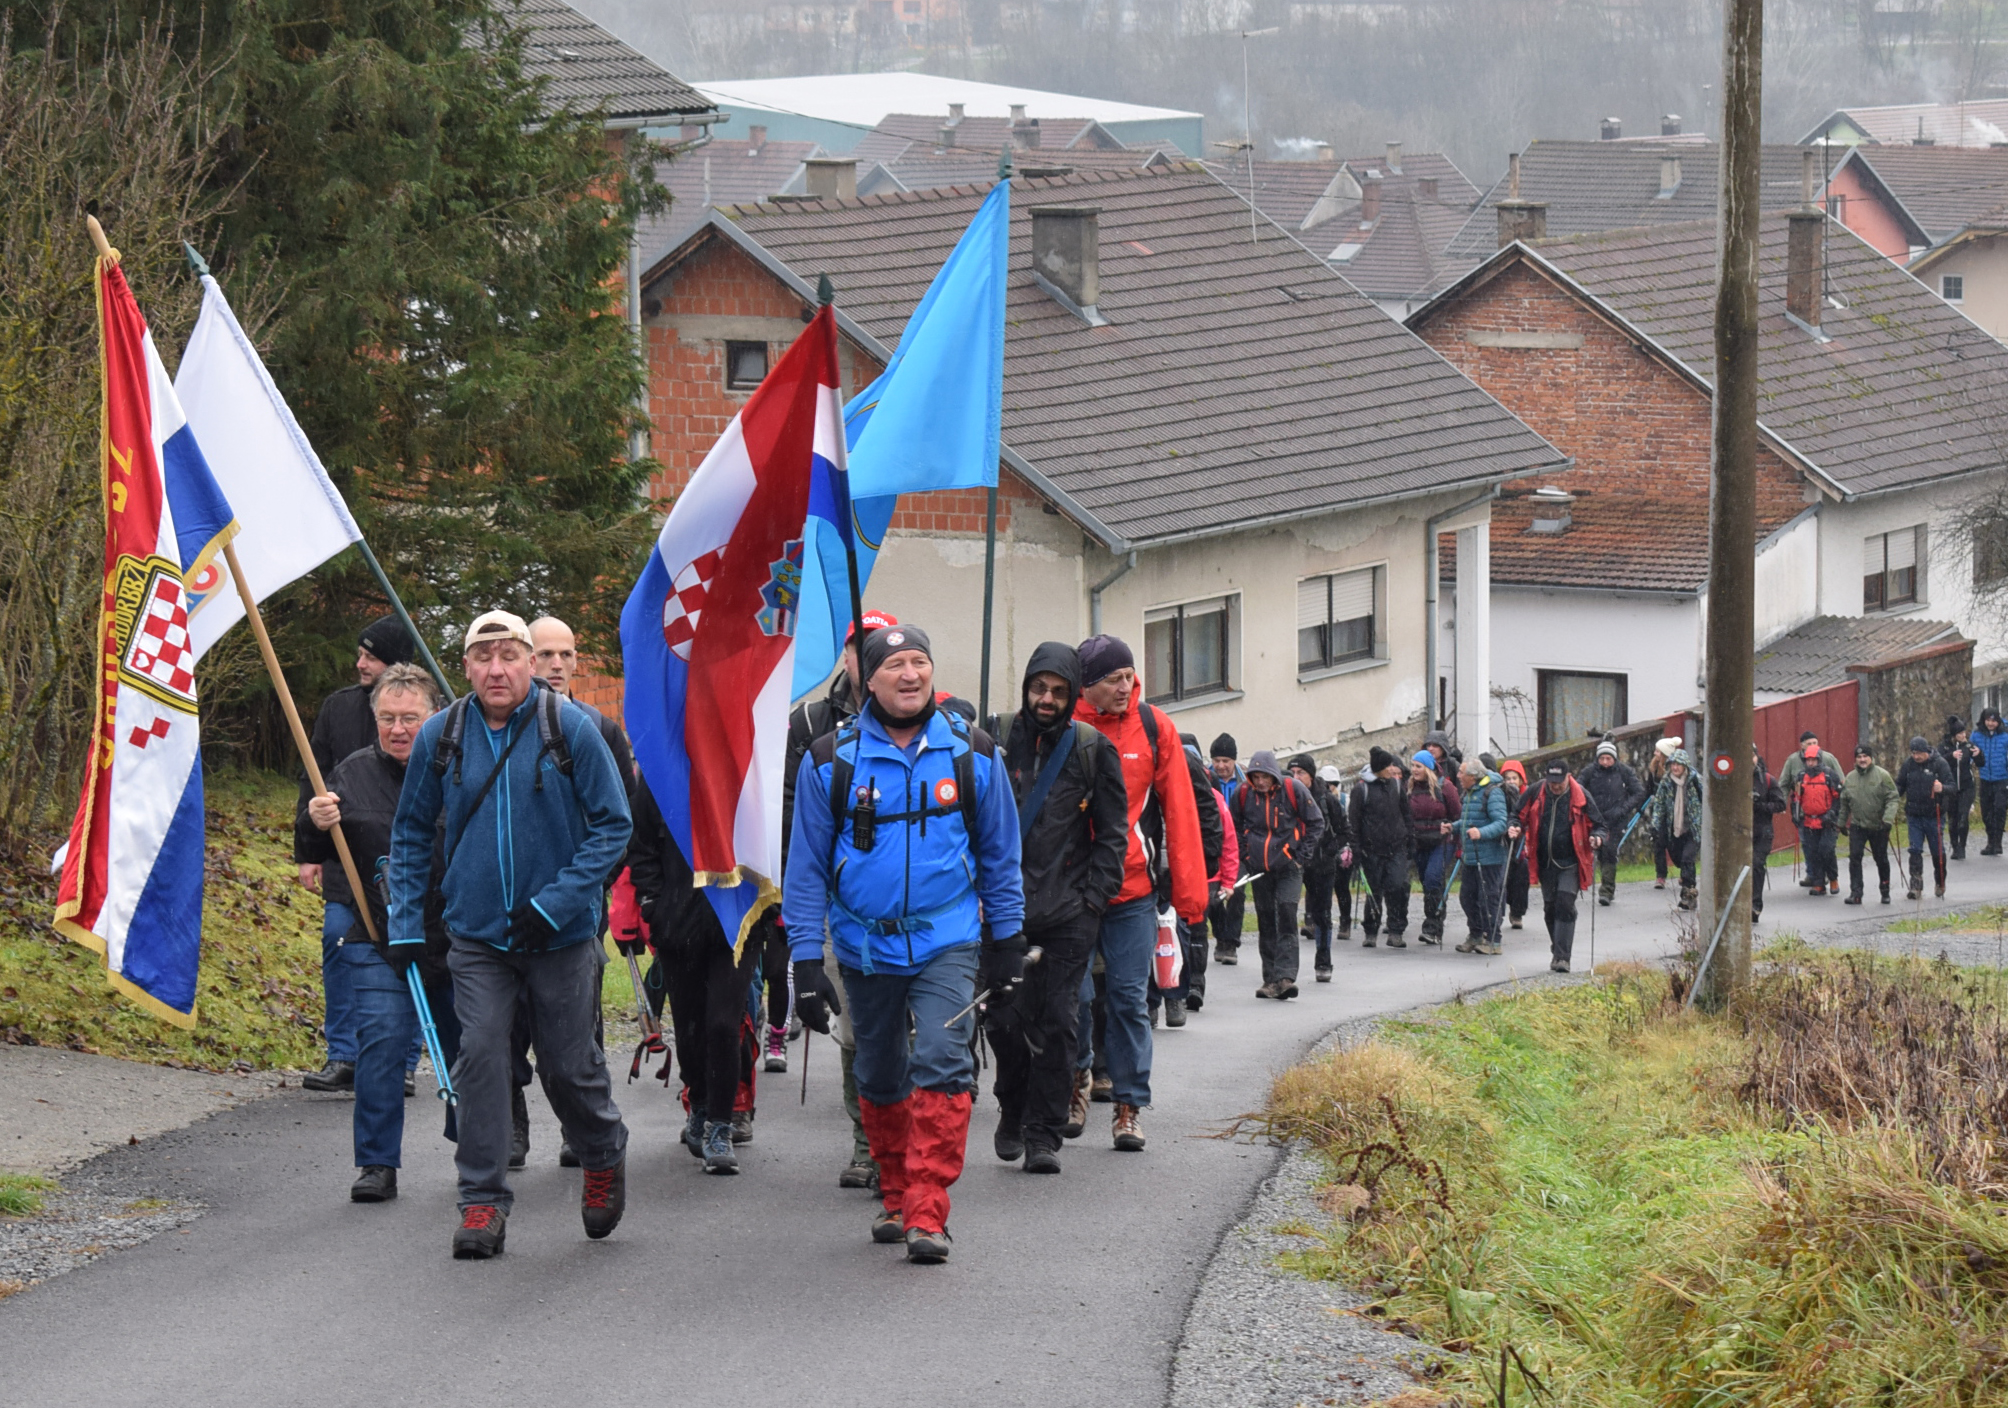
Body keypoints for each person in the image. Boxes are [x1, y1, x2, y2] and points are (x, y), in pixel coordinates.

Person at [388, 610, 634, 1260]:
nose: (497, 669)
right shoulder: (442, 736)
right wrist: (407, 923)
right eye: (484, 657)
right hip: (476, 938)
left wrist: (556, 903)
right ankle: (481, 1202)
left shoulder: (569, 728)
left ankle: (604, 1150)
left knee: (566, 1064)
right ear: (466, 667)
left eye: (510, 656)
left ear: (529, 662)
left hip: (559, 937)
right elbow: (411, 832)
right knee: (484, 1056)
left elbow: (615, 825)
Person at [784, 624, 1024, 1262]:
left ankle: (926, 1211)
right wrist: (806, 961)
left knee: (943, 1059)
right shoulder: (830, 760)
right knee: (879, 1069)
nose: (910, 674)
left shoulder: (973, 754)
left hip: (949, 940)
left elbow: (1001, 856)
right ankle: (895, 1191)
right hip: (864, 947)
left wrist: (1006, 941)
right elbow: (805, 868)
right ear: (868, 678)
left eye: (921, 661)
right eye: (894, 665)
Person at [299, 663, 456, 1203]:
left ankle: (479, 1145)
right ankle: (377, 1164)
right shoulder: (348, 774)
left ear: (433, 717)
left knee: (472, 1048)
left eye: (410, 718)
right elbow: (314, 850)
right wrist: (313, 821)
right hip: (377, 935)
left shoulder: (461, 768)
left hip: (454, 937)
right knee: (382, 1044)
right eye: (387, 718)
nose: (398, 729)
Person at [986, 643, 1126, 1175]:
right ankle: (1011, 1105)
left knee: (1059, 1021)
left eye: (1059, 691)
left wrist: (1094, 900)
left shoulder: (1092, 750)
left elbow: (1113, 833)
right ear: (1025, 687)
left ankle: (1043, 1132)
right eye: (1039, 688)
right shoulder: (994, 742)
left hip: (1069, 909)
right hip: (1001, 911)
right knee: (1003, 1018)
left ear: (1071, 696)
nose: (1047, 699)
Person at [1071, 635, 1207, 1153]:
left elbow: (1181, 811)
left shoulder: (1154, 726)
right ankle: (1076, 1082)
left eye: (1130, 675)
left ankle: (1129, 1106)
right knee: (1075, 999)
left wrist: (1192, 897)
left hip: (1133, 889)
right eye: (1113, 679)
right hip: (1073, 890)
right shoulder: (1065, 723)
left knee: (1129, 1000)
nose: (1126, 686)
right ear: (1088, 685)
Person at [511, 615, 635, 1170]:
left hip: (578, 911)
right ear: (524, 659)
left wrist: (587, 892)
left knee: (577, 1032)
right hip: (505, 907)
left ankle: (579, 1129)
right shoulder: (492, 726)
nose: (556, 664)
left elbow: (618, 824)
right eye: (545, 654)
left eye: (566, 654)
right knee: (504, 1026)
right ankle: (508, 1130)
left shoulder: (599, 730)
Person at [783, 607, 898, 1190]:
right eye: (858, 646)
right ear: (846, 656)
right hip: (839, 907)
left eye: (879, 645)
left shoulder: (933, 722)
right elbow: (792, 817)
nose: (866, 656)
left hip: (913, 911)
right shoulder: (810, 725)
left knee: (909, 1031)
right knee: (857, 1029)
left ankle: (907, 1142)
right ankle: (867, 1142)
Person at [296, 614, 418, 1093]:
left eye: (370, 656)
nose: (359, 663)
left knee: (409, 951)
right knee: (337, 941)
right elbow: (313, 776)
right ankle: (344, 1054)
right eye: (361, 654)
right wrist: (307, 849)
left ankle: (403, 1060)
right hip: (345, 855)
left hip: (408, 860)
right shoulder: (338, 708)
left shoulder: (430, 712)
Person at [624, 774, 760, 1174]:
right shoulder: (658, 774)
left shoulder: (745, 765)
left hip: (739, 921)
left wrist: (766, 906)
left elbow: (774, 837)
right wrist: (654, 906)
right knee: (690, 1025)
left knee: (722, 1022)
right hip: (678, 923)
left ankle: (721, 1123)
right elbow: (641, 845)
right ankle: (698, 1102)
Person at [1232, 750, 1325, 999]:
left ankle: (1285, 977)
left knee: (1286, 913)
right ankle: (1270, 979)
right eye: (1256, 776)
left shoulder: (1293, 789)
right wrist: (1246, 855)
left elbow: (1316, 822)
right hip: (1259, 868)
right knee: (1265, 919)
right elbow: (1234, 826)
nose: (1260, 782)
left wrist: (1301, 857)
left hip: (1289, 867)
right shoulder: (1242, 794)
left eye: (1265, 776)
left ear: (1273, 775)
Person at [1513, 760, 1606, 972]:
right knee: (1550, 908)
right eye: (1551, 781)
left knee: (1564, 903)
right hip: (1545, 860)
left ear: (1568, 776)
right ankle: (1558, 945)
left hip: (1571, 860)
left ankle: (1563, 957)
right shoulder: (1536, 791)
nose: (1555, 786)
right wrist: (1514, 827)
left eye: (1559, 782)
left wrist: (1597, 838)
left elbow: (1599, 825)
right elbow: (1517, 815)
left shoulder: (1580, 795)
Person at [1349, 748, 1414, 949]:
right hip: (1371, 850)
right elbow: (1354, 822)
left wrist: (1411, 839)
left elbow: (1406, 814)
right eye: (1388, 766)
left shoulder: (1396, 785)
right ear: (1378, 768)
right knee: (1373, 890)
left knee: (1397, 886)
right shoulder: (1361, 789)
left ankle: (1396, 930)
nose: (1392, 769)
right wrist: (1356, 849)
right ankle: (1371, 930)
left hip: (1396, 847)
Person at [1292, 755, 1350, 981]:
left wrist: (1328, 851)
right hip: (1295, 863)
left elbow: (1344, 831)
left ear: (1311, 775)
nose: (1296, 778)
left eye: (1301, 773)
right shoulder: (1287, 797)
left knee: (1322, 913)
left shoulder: (1326, 799)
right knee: (1285, 911)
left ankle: (1323, 961)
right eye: (1293, 773)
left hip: (1322, 865)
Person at [1576, 741, 1645, 906]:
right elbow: (1577, 789)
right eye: (1602, 758)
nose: (1605, 762)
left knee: (1609, 851)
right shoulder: (1589, 772)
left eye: (1608, 758)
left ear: (1615, 758)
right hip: (1594, 819)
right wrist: (1587, 807)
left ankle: (1606, 890)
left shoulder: (1624, 772)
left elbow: (1638, 792)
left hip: (1616, 820)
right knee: (1593, 850)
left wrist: (1623, 809)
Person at [1453, 757, 1510, 955]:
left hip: (1490, 858)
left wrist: (1481, 833)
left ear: (1473, 777)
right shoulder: (1470, 793)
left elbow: (1501, 823)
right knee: (1467, 897)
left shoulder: (1492, 793)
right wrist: (1452, 827)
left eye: (1462, 773)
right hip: (1471, 856)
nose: (1458, 776)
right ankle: (1475, 935)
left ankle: (1494, 940)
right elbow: (1467, 820)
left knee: (1488, 898)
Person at [1405, 752, 1460, 946]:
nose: (1414, 770)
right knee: (1427, 883)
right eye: (1412, 766)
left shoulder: (1445, 788)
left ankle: (1433, 926)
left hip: (1442, 842)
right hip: (1419, 842)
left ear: (1428, 768)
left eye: (1418, 766)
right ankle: (1432, 920)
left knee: (1433, 878)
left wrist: (1456, 838)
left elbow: (1457, 815)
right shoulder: (1409, 788)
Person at [1836, 745, 1897, 906]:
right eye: (1859, 757)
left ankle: (1885, 890)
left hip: (1878, 826)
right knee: (1855, 858)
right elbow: (1844, 803)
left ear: (1871, 758)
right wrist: (1841, 823)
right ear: (1855, 759)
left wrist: (1888, 819)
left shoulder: (1882, 776)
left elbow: (1893, 798)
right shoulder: (1850, 778)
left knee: (1881, 859)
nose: (1862, 760)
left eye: (1865, 756)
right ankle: (1856, 893)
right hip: (1857, 826)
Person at [1205, 735, 1248, 966]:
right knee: (1212, 896)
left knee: (1236, 891)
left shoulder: (1245, 783)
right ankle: (1221, 936)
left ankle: (1231, 942)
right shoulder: (1206, 779)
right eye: (1217, 760)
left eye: (1226, 761)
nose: (1221, 766)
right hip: (1213, 844)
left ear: (1234, 761)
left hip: (1237, 845)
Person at [1896, 736, 1954, 900]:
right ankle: (1916, 886)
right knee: (1914, 849)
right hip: (1914, 815)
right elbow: (1900, 784)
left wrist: (1942, 788)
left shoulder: (1939, 764)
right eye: (1914, 753)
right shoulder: (1908, 765)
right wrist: (1893, 796)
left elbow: (1952, 786)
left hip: (1933, 814)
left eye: (1919, 753)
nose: (1916, 756)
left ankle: (1940, 882)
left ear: (1926, 751)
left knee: (1937, 851)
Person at [1647, 748, 1702, 910]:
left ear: (1685, 765)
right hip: (1675, 828)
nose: (1675, 768)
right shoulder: (1666, 782)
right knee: (1678, 859)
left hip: (1693, 828)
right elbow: (1659, 804)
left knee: (1687, 859)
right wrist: (1656, 824)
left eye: (1678, 764)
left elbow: (1707, 798)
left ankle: (1688, 895)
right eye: (1672, 764)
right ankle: (1687, 886)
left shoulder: (1695, 780)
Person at [1789, 741, 1844, 897]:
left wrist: (1832, 814)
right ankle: (1819, 883)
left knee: (1826, 850)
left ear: (1819, 760)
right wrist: (1795, 814)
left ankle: (1833, 879)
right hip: (1808, 821)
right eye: (1808, 760)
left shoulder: (1829, 775)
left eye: (1813, 760)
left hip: (1827, 821)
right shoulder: (1801, 777)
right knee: (1813, 852)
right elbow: (1796, 798)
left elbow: (1838, 798)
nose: (1811, 763)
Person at [1751, 748, 1788, 921]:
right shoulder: (1732, 780)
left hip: (1762, 831)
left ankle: (1755, 905)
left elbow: (1780, 804)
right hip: (1740, 832)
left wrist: (1761, 805)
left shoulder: (1767, 780)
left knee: (1757, 864)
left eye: (1751, 755)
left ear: (1756, 757)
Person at [1497, 759, 1531, 928]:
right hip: (1503, 841)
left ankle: (1517, 912)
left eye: (1514, 778)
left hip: (1521, 843)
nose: (1511, 782)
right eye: (1507, 778)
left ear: (1521, 780)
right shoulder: (1499, 795)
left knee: (1521, 876)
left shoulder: (1528, 796)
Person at [1941, 717, 1980, 861]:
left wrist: (1978, 754)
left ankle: (1962, 846)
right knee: (1953, 818)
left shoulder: (1968, 746)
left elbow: (1981, 762)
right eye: (1960, 733)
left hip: (1966, 786)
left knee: (1963, 817)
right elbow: (1939, 761)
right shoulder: (1944, 746)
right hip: (1950, 787)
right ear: (1954, 734)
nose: (1964, 735)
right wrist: (1951, 756)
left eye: (1964, 732)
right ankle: (1954, 845)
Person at [1646, 737, 1679, 890]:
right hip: (1659, 813)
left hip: (1675, 813)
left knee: (1675, 844)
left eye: (1658, 751)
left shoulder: (1676, 770)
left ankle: (1684, 871)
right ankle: (1660, 876)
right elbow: (1648, 789)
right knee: (1658, 844)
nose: (1654, 753)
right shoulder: (1653, 769)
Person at [1977, 709, 2008, 855]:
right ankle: (1990, 840)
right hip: (1984, 779)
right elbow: (1970, 753)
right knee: (1986, 811)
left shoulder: (2005, 735)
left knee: (1999, 809)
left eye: (1993, 721)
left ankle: (1997, 843)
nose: (1990, 723)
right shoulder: (1976, 735)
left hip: (2002, 778)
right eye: (1988, 720)